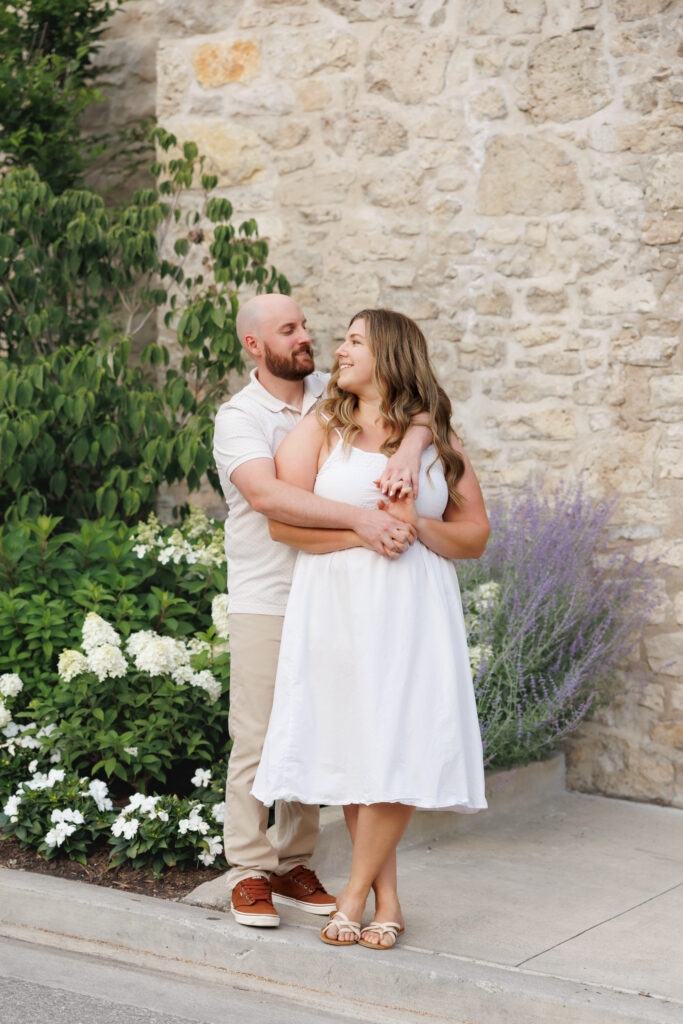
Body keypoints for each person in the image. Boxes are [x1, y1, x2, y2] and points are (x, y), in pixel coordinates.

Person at [252, 308, 490, 949]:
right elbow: (283, 524)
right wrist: (363, 527)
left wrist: (416, 530)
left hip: (413, 609)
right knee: (359, 750)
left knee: (400, 742)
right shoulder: (321, 428)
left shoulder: (436, 439)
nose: (340, 349)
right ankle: (387, 900)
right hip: (336, 606)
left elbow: (475, 535)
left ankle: (352, 896)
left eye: (355, 340)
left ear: (389, 353)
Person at [213, 294, 432, 928]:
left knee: (317, 728)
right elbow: (267, 495)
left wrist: (413, 445)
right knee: (257, 735)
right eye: (290, 329)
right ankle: (250, 869)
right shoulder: (240, 416)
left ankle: (294, 860)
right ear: (255, 344)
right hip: (270, 592)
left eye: (307, 325)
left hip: (339, 594)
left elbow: (415, 409)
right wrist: (364, 521)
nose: (308, 337)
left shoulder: (329, 394)